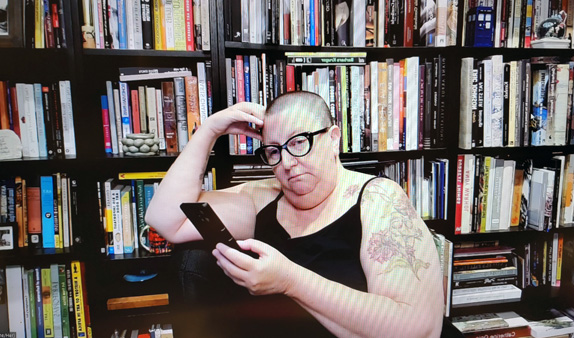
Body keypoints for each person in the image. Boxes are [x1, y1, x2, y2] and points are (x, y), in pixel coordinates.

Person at [145, 91, 445, 337]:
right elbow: (166, 218)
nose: (287, 163)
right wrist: (210, 130)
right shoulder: (262, 198)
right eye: (274, 151)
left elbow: (415, 329)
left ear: (333, 138)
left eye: (299, 142)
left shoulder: (377, 199)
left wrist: (290, 280)